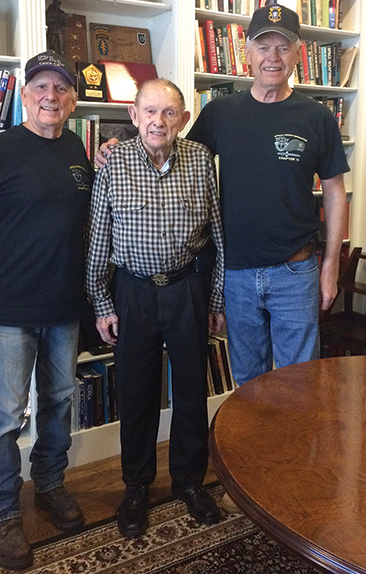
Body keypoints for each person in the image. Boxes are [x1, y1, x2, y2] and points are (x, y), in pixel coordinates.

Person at [96, 5, 349, 388]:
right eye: (264, 47)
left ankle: (293, 451)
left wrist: (330, 268)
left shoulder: (316, 118)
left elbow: (334, 193)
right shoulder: (221, 113)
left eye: (283, 47)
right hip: (236, 274)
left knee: (300, 381)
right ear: (247, 53)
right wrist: (120, 146)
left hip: (295, 273)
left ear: (297, 53)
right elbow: (170, 150)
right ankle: (253, 451)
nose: (273, 57)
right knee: (248, 382)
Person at [0, 50, 95, 571]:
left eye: (60, 88)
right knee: (5, 417)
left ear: (73, 100)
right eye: (40, 87)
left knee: (58, 402)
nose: (50, 96)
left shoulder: (79, 150)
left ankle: (50, 486)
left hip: (65, 307)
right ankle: (2, 512)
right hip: (10, 311)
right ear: (24, 93)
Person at [86, 78, 225, 538]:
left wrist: (216, 297)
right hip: (133, 294)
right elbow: (97, 238)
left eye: (169, 113)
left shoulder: (201, 161)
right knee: (136, 393)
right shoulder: (114, 164)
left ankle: (189, 482)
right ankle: (136, 487)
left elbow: (219, 237)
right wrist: (102, 302)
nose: (158, 121)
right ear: (134, 115)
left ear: (183, 119)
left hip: (187, 290)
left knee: (190, 391)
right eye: (150, 111)